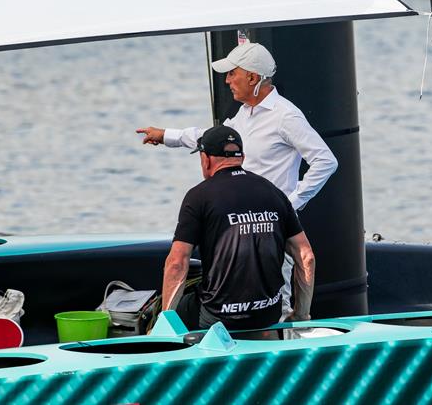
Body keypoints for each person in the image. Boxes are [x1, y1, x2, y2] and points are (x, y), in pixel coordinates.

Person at [138, 42, 336, 316]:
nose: (228, 80)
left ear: (253, 78)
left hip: (271, 228)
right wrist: (167, 135)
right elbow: (211, 138)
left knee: (278, 303)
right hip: (238, 226)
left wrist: (290, 204)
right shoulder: (246, 113)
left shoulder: (286, 116)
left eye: (233, 73)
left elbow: (325, 161)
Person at [161, 125, 315, 331]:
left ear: (205, 159)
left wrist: (164, 325)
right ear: (241, 157)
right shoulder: (274, 193)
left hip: (218, 316)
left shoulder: (198, 196)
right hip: (267, 313)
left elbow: (177, 263)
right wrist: (301, 315)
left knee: (163, 311)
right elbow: (306, 257)